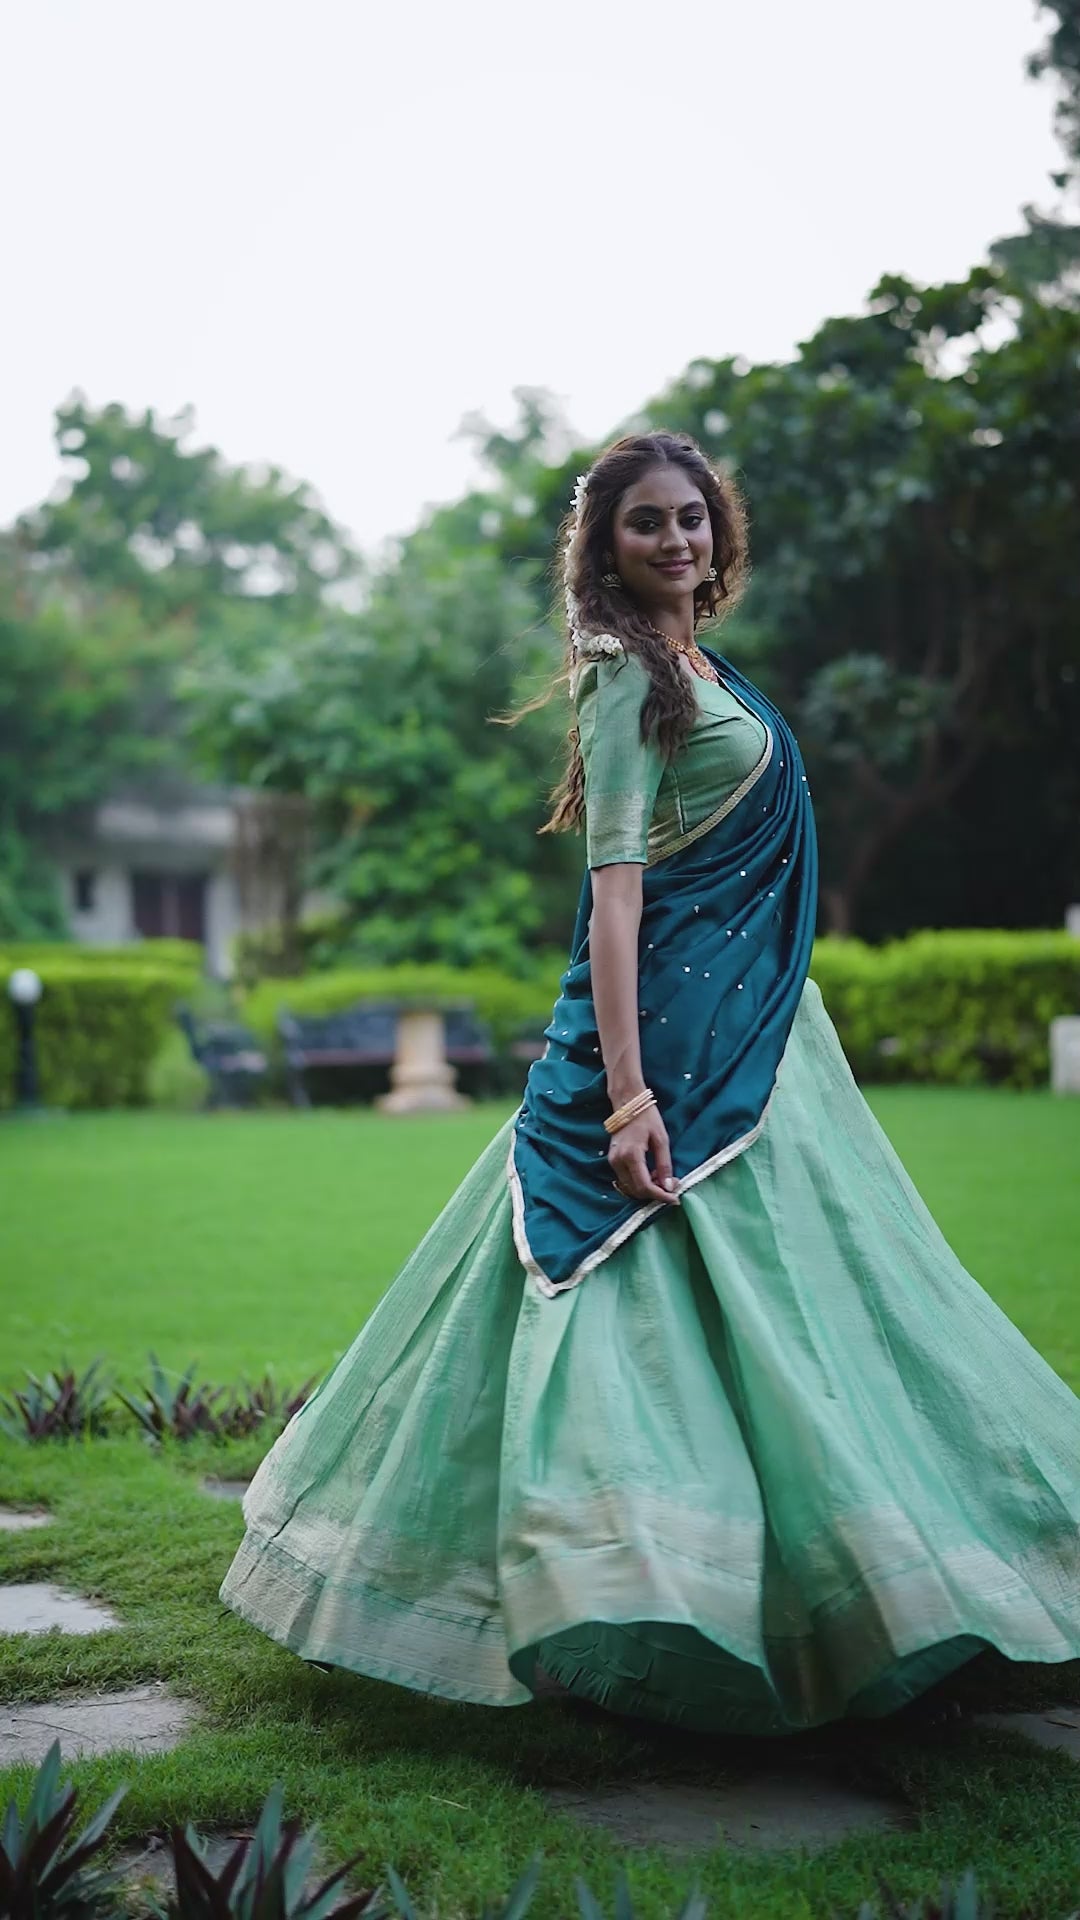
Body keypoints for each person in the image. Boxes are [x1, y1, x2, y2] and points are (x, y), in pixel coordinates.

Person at [220, 430, 1080, 1736]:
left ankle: (864, 1581)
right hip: (672, 1054)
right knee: (625, 1320)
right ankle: (614, 1589)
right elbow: (614, 897)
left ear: (716, 532)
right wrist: (628, 1097)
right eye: (646, 524)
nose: (676, 540)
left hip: (764, 1043)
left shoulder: (699, 665)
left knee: (821, 1308)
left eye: (691, 518)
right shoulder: (625, 676)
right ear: (606, 548)